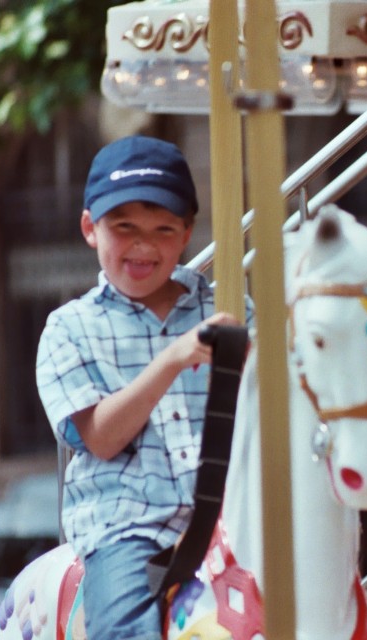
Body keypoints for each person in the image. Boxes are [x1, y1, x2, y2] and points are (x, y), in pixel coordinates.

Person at [36, 135, 251, 640]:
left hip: (234, 517)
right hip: (128, 528)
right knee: (126, 629)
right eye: (124, 227)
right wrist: (173, 359)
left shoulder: (230, 314)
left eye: (163, 229)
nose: (143, 245)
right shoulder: (70, 329)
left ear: (187, 234)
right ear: (90, 228)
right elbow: (101, 438)